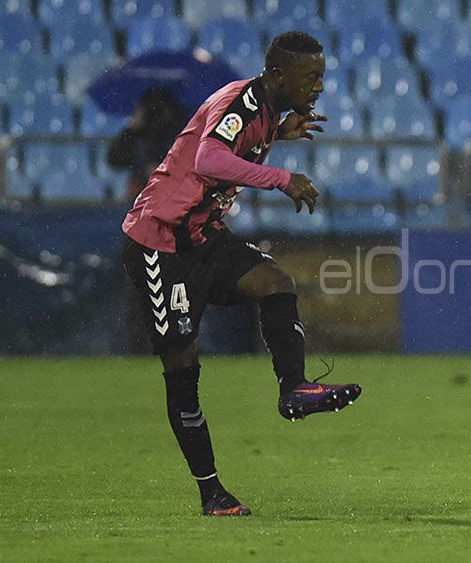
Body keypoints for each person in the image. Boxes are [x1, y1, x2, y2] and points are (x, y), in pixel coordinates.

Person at [120, 31, 362, 517]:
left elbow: (233, 148)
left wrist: (279, 133)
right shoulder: (242, 102)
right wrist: (282, 178)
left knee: (275, 283)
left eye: (321, 75)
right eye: (309, 76)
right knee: (182, 368)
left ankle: (294, 388)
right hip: (161, 242)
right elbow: (209, 158)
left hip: (204, 235)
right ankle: (211, 492)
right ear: (278, 75)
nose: (318, 85)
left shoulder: (267, 111)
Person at [108, 87, 190, 201]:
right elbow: (114, 159)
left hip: (172, 194)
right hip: (141, 193)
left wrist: (163, 170)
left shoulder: (180, 130)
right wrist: (132, 130)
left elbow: (188, 161)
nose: (155, 114)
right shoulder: (138, 133)